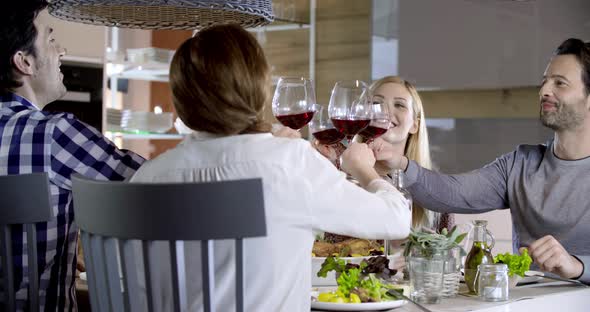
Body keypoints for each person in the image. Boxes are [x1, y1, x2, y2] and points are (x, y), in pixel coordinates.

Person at [130, 24, 411, 311]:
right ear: (258, 90)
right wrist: (364, 169)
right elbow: (397, 219)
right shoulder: (290, 163)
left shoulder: (147, 178)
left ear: (180, 99)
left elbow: (133, 286)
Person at [371, 38, 590, 283]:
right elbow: (451, 193)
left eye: (560, 83)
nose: (544, 91)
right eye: (544, 81)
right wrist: (399, 163)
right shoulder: (521, 163)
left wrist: (578, 265)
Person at [0, 2, 144, 310]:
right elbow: (153, 185)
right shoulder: (55, 133)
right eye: (50, 40)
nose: (61, 50)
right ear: (24, 62)